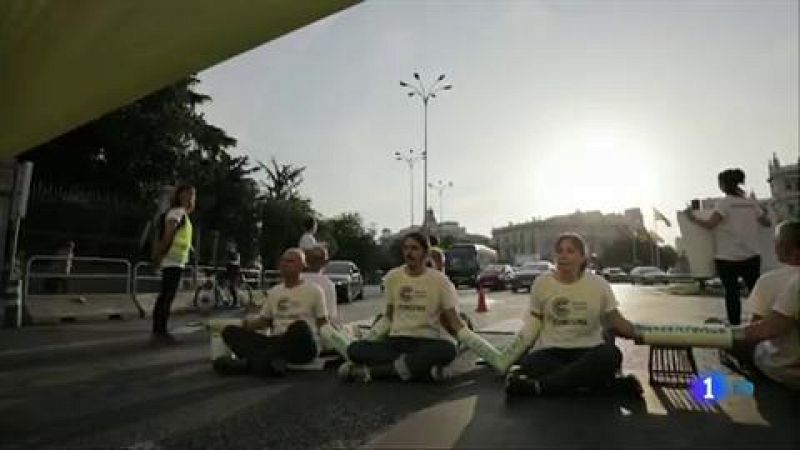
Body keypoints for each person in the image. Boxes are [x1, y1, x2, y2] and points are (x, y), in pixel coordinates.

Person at [505, 232, 641, 397]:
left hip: (589, 351)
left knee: (611, 355)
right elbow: (534, 322)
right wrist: (514, 353)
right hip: (551, 352)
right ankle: (598, 384)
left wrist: (640, 333)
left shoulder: (598, 284)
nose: (563, 256)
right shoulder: (542, 283)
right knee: (530, 362)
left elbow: (615, 319)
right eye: (559, 251)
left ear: (583, 257)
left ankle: (538, 387)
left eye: (570, 251)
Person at [338, 232, 464, 382]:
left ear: (425, 253)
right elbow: (388, 317)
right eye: (406, 248)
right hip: (397, 342)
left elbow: (455, 321)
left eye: (414, 248)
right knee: (354, 350)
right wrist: (369, 338)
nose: (409, 253)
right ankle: (420, 369)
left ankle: (376, 371)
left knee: (447, 350)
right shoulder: (393, 277)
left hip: (426, 341)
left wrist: (470, 342)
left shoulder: (440, 281)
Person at [213, 248, 329, 376]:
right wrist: (241, 325)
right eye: (283, 261)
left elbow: (323, 323)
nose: (284, 264)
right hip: (275, 341)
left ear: (302, 266)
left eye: (290, 261)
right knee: (230, 332)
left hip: (300, 343)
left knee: (300, 327)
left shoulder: (314, 290)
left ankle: (251, 363)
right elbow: (264, 321)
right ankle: (268, 363)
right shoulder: (274, 291)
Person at [687, 168, 771, 325]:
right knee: (756, 293)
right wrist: (764, 212)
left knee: (732, 295)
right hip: (751, 256)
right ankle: (761, 325)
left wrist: (692, 218)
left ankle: (735, 328)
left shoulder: (725, 204)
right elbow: (766, 223)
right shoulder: (751, 203)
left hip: (727, 258)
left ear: (724, 185)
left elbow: (711, 224)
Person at [724, 220, 800, 389]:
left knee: (737, 343)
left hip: (785, 368)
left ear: (781, 247)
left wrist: (723, 332)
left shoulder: (773, 281)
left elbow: (761, 331)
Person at [151, 184, 195, 346]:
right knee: (166, 297)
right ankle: (160, 332)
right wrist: (159, 254)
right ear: (179, 196)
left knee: (166, 296)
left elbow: (179, 236)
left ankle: (159, 331)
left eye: (192, 195)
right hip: (172, 260)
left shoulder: (183, 215)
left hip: (176, 261)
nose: (190, 198)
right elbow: (169, 234)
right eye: (186, 194)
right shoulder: (177, 212)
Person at [301, 245, 338, 326]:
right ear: (325, 262)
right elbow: (329, 317)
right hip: (315, 334)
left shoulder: (291, 280)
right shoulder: (328, 285)